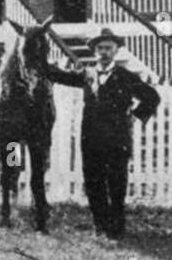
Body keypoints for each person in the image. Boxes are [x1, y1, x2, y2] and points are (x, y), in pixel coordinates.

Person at [35, 28, 160, 239]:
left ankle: (116, 228)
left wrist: (134, 115)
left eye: (108, 48)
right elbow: (60, 76)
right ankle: (100, 226)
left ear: (116, 50)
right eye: (100, 48)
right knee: (94, 184)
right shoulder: (87, 74)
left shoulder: (126, 76)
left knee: (116, 184)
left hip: (117, 139)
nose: (104, 52)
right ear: (94, 52)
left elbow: (152, 97)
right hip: (91, 139)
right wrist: (39, 61)